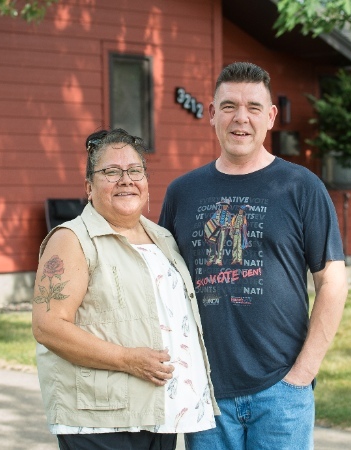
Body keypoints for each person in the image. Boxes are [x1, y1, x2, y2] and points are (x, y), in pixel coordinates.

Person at [159, 62, 348, 449]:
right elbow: (164, 282)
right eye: (228, 106)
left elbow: (332, 281)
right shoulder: (183, 192)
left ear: (271, 117)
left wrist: (302, 374)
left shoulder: (301, 187)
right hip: (207, 392)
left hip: (281, 392)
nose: (240, 118)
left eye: (253, 107)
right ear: (211, 114)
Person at [32, 128, 218, 450]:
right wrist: (128, 359)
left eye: (135, 171)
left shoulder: (163, 239)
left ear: (146, 182)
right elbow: (48, 327)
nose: (125, 180)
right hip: (99, 418)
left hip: (160, 412)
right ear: (89, 187)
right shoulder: (72, 239)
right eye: (111, 172)